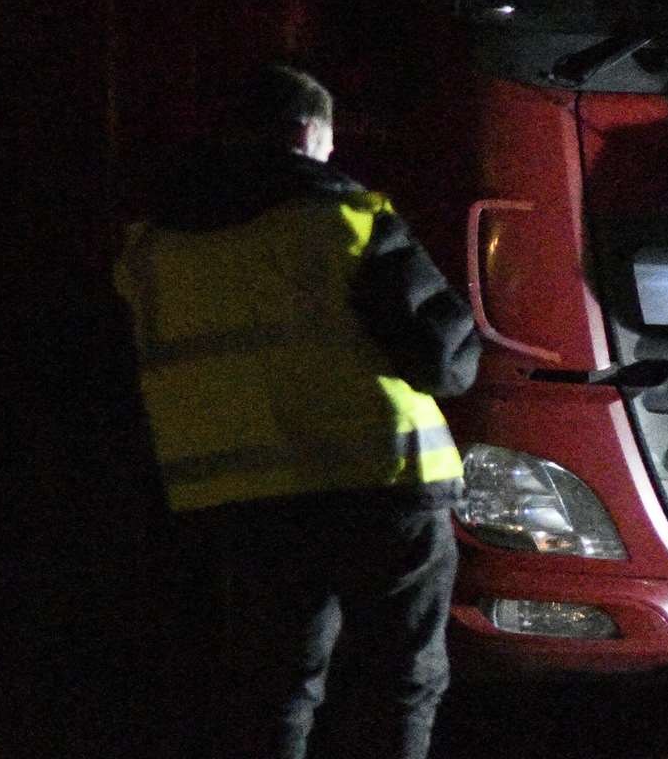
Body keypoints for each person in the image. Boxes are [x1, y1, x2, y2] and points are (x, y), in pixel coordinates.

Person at [113, 64, 479, 758]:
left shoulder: (150, 250)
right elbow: (445, 360)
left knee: (274, 690)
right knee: (399, 682)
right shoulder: (344, 218)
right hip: (385, 484)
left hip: (246, 502)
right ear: (309, 132)